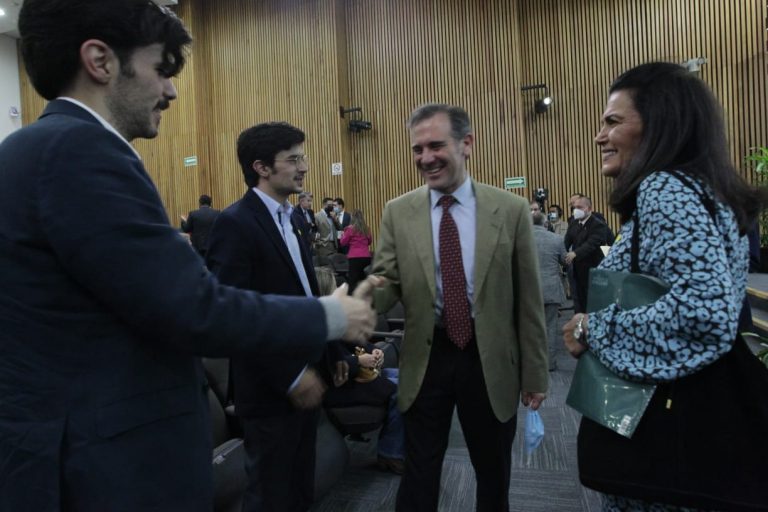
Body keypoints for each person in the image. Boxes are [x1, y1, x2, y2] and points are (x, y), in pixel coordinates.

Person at [0, 2, 377, 509]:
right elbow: (194, 307)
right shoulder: (80, 151)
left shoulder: (35, 149)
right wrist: (332, 315)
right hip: (106, 468)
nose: (172, 90)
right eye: (160, 69)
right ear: (100, 61)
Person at [563, 62, 765, 511]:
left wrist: (591, 328)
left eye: (613, 121)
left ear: (659, 127)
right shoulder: (703, 189)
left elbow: (705, 312)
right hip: (696, 438)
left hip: (666, 437)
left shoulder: (664, 189)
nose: (599, 136)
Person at [372, 103, 549, 511]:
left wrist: (535, 374)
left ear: (467, 144)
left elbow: (528, 300)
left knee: (492, 472)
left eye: (436, 145)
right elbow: (386, 284)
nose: (425, 158)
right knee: (419, 473)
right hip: (426, 357)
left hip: (488, 361)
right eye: (417, 149)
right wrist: (362, 296)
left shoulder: (511, 210)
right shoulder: (398, 212)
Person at [205, 122, 326, 512]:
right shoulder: (235, 223)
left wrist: (335, 352)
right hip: (272, 389)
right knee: (270, 497)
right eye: (293, 159)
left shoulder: (291, 219)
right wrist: (290, 376)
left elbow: (307, 296)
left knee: (300, 491)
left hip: (308, 375)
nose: (303, 166)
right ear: (261, 167)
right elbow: (231, 315)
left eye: (302, 157)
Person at [314, 267, 406, 474]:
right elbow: (328, 367)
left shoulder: (335, 318)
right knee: (403, 391)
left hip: (355, 377)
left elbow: (355, 342)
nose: (341, 291)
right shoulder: (317, 325)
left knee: (408, 380)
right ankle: (391, 453)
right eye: (335, 287)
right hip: (337, 387)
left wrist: (374, 353)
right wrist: (359, 360)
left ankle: (398, 448)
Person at [563, 195, 613, 312]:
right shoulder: (574, 224)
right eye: (574, 207)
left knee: (594, 302)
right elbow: (566, 241)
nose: (576, 210)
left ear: (589, 209)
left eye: (579, 207)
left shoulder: (598, 224)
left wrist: (575, 253)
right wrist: (561, 253)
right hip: (577, 270)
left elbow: (591, 243)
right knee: (580, 301)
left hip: (593, 270)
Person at [531, 211, 566, 371]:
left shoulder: (520, 239)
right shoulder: (557, 239)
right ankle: (550, 363)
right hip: (551, 289)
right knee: (551, 327)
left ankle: (532, 364)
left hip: (529, 292)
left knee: (530, 328)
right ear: (546, 224)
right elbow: (565, 261)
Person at [339, 209, 373, 292]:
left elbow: (343, 242)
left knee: (353, 281)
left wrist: (343, 234)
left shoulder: (349, 229)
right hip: (366, 257)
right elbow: (369, 241)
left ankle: (352, 300)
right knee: (365, 280)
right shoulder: (366, 228)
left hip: (354, 258)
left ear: (352, 218)